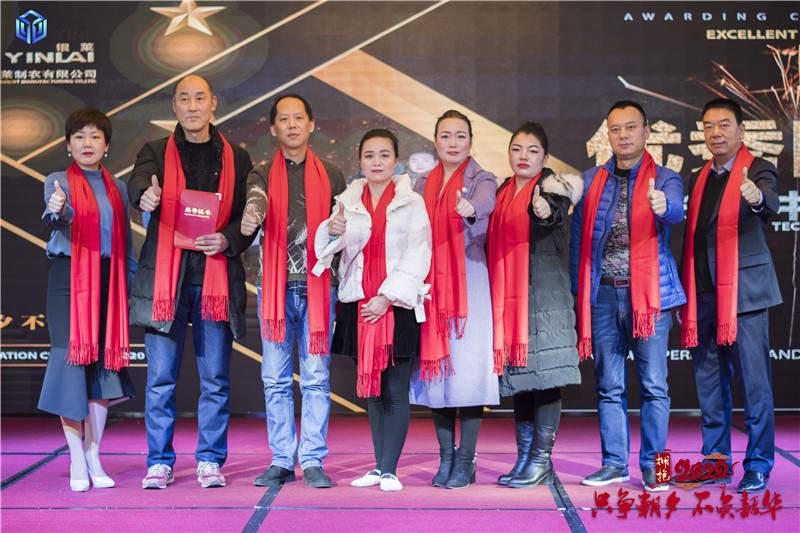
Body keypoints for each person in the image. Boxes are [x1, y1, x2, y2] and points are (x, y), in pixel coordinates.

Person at [128, 75, 254, 489]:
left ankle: (210, 460)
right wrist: (144, 197)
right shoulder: (154, 151)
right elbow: (139, 182)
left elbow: (248, 217)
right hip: (166, 283)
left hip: (215, 282)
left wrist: (228, 239)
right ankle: (159, 461)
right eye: (185, 98)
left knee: (215, 380)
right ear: (175, 106)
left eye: (200, 98)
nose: (193, 105)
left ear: (213, 103)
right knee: (160, 380)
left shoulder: (237, 156)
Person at [569, 101, 686, 492]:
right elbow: (578, 242)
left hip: (650, 298)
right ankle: (614, 464)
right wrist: (579, 293)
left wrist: (663, 205)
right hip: (603, 296)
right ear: (608, 134)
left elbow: (675, 211)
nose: (623, 135)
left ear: (647, 131)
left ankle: (658, 468)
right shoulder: (591, 180)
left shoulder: (666, 177)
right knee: (608, 386)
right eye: (615, 129)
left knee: (655, 387)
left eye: (631, 127)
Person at [312, 129, 432, 492]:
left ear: (396, 160)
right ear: (360, 161)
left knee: (395, 390)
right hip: (358, 305)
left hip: (396, 306)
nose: (376, 162)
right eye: (369, 155)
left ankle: (390, 470)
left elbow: (419, 255)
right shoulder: (347, 201)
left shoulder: (412, 202)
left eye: (384, 155)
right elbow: (327, 251)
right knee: (373, 392)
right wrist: (332, 230)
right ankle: (379, 468)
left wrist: (387, 297)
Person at [240, 94, 346, 488]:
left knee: (316, 378)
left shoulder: (332, 173)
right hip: (276, 289)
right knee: (275, 379)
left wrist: (341, 227)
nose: (292, 125)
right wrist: (252, 214)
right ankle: (282, 459)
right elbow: (256, 200)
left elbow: (344, 225)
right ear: (273, 128)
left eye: (298, 118)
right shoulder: (261, 173)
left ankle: (313, 459)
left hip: (319, 287)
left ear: (311, 124)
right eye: (283, 119)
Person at [680, 98, 781, 494]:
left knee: (755, 386)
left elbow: (770, 201)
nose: (715, 133)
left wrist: (756, 197)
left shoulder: (758, 168)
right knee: (709, 387)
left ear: (741, 130)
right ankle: (716, 460)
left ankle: (758, 464)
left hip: (745, 296)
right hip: (703, 295)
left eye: (724, 125)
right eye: (708, 126)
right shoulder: (697, 177)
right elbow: (691, 237)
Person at [39, 107, 136, 491]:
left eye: (95, 136)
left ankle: (94, 454)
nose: (87, 143)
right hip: (69, 280)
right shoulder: (57, 181)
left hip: (110, 280)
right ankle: (76, 457)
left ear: (106, 145)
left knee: (102, 368)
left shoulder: (118, 187)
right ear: (68, 145)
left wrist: (130, 286)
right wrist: (58, 209)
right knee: (71, 364)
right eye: (79, 136)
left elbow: (126, 243)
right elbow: (57, 219)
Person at [487, 122, 582, 488]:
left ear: (545, 156)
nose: (523, 156)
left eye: (532, 150)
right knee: (522, 379)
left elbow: (553, 213)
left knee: (545, 379)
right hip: (512, 298)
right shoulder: (504, 190)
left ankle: (540, 460)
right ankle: (526, 457)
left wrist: (542, 209)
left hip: (545, 298)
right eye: (517, 149)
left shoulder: (554, 186)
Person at [409, 110, 500, 489]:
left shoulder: (481, 178)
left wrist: (470, 209)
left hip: (469, 285)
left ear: (470, 142)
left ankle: (467, 458)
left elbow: (486, 202)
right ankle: (446, 458)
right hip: (430, 284)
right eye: (445, 136)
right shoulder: (420, 184)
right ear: (435, 142)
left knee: (469, 372)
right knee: (438, 375)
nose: (452, 143)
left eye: (460, 136)